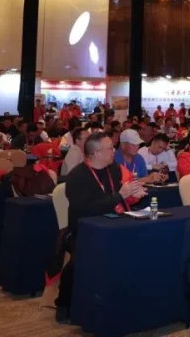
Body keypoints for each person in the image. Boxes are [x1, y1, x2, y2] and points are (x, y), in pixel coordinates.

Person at [56, 132, 147, 321]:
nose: (114, 151)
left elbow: (120, 196)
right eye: (109, 148)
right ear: (96, 153)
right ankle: (65, 304)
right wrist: (120, 196)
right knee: (82, 257)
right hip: (85, 230)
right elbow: (85, 209)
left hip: (116, 223)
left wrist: (133, 194)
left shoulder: (114, 169)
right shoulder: (77, 176)